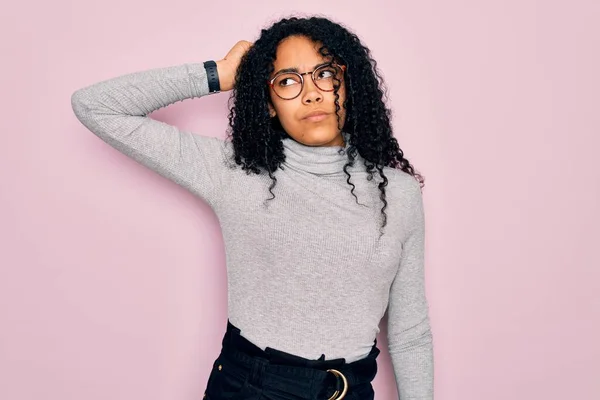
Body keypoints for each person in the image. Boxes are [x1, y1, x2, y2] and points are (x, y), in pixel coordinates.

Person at [71, 15, 433, 400]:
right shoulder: (236, 171)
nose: (311, 94)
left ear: (348, 83)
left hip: (351, 390)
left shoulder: (399, 193)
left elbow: (410, 332)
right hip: (251, 386)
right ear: (269, 104)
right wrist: (221, 74)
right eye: (288, 81)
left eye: (324, 74)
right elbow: (95, 106)